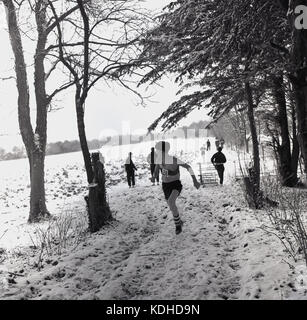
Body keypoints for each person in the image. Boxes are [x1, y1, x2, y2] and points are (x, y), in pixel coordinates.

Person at [152, 141, 200, 235]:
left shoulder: (173, 160)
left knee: (171, 202)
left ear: (164, 151)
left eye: (158, 150)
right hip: (165, 185)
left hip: (175, 184)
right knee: (171, 206)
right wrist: (154, 176)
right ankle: (179, 221)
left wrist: (195, 180)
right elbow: (156, 168)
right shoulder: (159, 160)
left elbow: (188, 167)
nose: (156, 152)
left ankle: (178, 226)